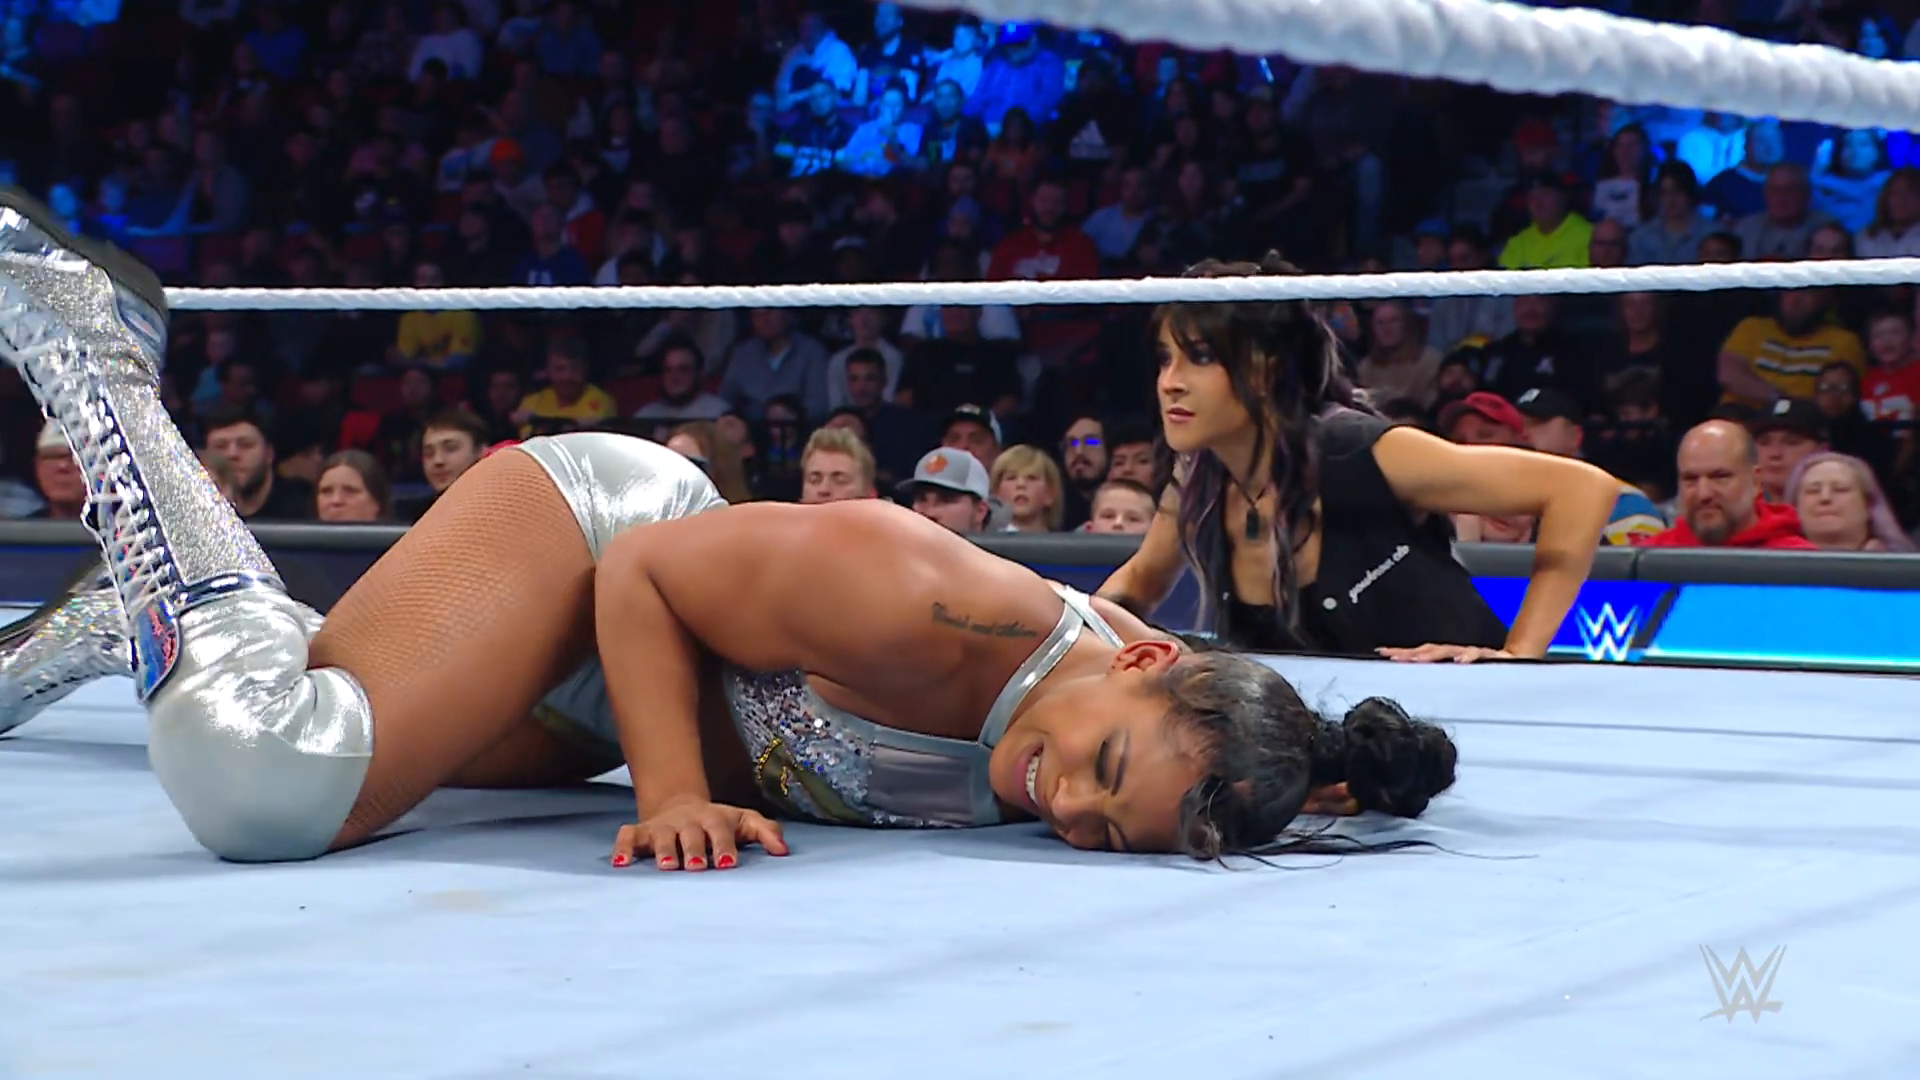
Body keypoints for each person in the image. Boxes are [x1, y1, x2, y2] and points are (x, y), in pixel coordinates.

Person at [0, 195, 1451, 865]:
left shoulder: (1163, 719)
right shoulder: (932, 598)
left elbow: (1240, 744)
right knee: (270, 783)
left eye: (1106, 834)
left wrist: (1335, 772)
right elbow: (645, 573)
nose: (1067, 807)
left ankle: (120, 621)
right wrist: (671, 795)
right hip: (606, 540)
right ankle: (94, 349)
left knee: (353, 707)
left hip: (645, 678)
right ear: (1138, 670)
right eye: (1103, 775)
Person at [1099, 257, 1623, 662]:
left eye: (1200, 358)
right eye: (1165, 359)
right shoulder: (1200, 476)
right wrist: (1074, 641)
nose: (1170, 382)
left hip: (1457, 720)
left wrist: (1518, 656)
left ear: (1264, 369)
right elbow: (1139, 582)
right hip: (1321, 739)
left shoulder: (1358, 450)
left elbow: (1581, 490)